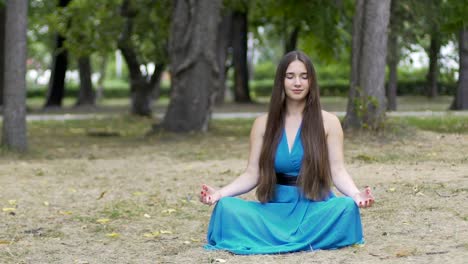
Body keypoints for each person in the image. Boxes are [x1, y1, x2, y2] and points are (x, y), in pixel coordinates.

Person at [199, 50, 374, 255]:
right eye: (290, 76)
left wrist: (355, 194)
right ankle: (296, 238)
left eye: (304, 76)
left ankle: (291, 238)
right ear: (281, 81)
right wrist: (219, 193)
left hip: (314, 207)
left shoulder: (329, 122)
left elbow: (338, 170)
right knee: (226, 208)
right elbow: (252, 174)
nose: (297, 82)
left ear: (311, 82)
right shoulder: (262, 124)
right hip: (275, 211)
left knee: (346, 208)